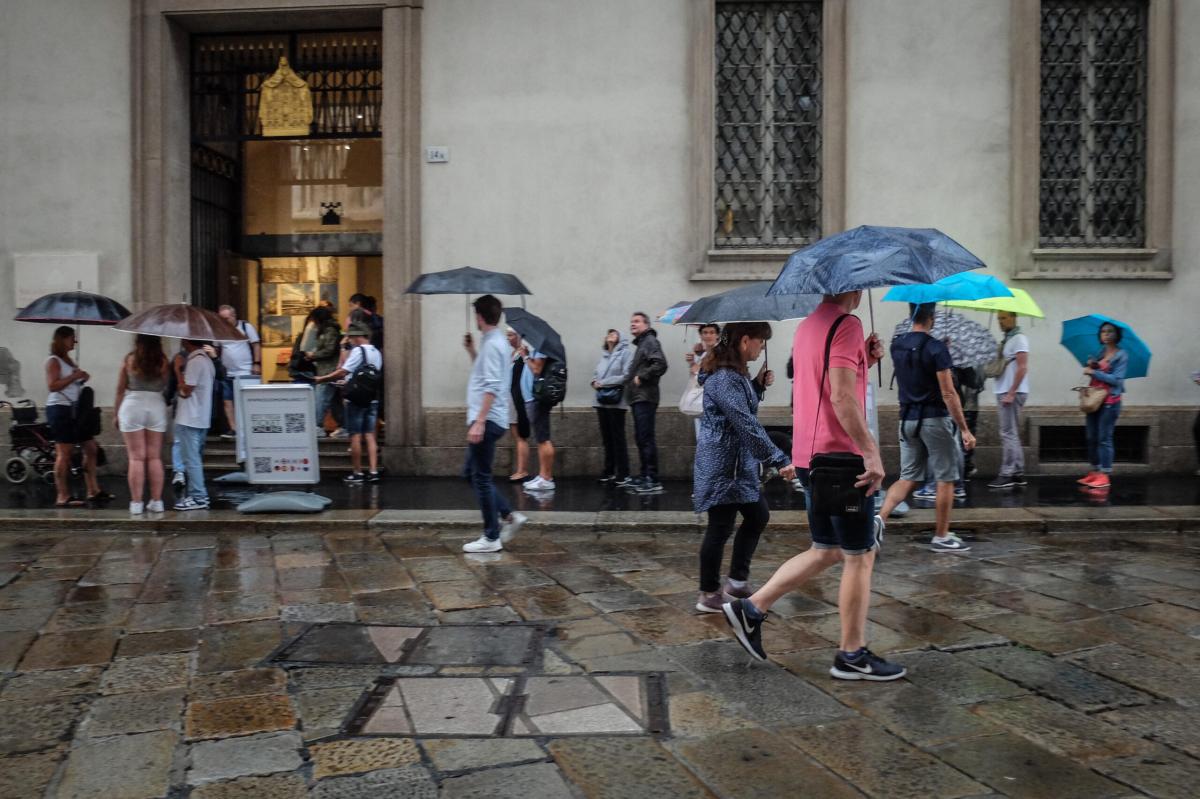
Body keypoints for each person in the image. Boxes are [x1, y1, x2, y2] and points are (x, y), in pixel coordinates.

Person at [723, 291, 906, 682]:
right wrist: (870, 453)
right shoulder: (848, 325)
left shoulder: (808, 326)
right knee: (860, 555)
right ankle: (852, 655)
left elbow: (823, 383)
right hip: (842, 459)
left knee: (827, 549)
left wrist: (865, 360)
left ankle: (751, 608)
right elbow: (841, 396)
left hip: (810, 458)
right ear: (854, 290)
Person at [693, 322, 794, 613]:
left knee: (758, 515)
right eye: (760, 341)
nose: (762, 347)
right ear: (745, 340)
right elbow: (745, 423)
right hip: (723, 466)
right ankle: (709, 593)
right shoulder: (724, 378)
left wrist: (757, 385)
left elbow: (741, 409)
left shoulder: (736, 375)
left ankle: (737, 582)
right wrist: (778, 458)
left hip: (738, 466)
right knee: (720, 527)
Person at [878, 304, 976, 553]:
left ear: (911, 315)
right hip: (934, 419)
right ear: (932, 317)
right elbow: (948, 393)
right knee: (946, 478)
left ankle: (878, 520)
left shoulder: (897, 345)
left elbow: (914, 364)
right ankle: (942, 536)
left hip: (907, 420)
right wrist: (964, 429)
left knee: (908, 477)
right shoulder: (936, 348)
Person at [460, 295, 527, 552]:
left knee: (481, 478)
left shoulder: (493, 344)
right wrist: (471, 351)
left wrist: (479, 421)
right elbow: (486, 375)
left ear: (479, 316)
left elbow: (491, 386)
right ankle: (508, 515)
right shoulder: (493, 341)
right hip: (489, 418)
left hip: (486, 419)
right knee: (471, 473)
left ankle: (491, 537)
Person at [315, 323, 381, 483]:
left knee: (356, 435)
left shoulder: (358, 351)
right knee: (370, 435)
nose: (349, 339)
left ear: (356, 336)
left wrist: (323, 379)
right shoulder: (376, 352)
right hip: (372, 397)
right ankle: (373, 471)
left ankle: (357, 473)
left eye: (350, 336)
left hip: (356, 399)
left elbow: (344, 370)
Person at [44, 326, 102, 507]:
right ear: (62, 340)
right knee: (64, 453)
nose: (74, 342)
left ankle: (93, 490)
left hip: (75, 410)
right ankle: (62, 495)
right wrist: (73, 377)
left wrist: (81, 377)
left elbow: (72, 382)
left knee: (91, 447)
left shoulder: (68, 361)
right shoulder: (53, 361)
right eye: (71, 338)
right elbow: (52, 385)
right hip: (60, 409)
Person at [114, 335, 170, 514]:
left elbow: (120, 389)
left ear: (138, 343)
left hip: (133, 404)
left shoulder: (129, 360)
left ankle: (136, 504)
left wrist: (116, 413)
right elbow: (165, 385)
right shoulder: (162, 361)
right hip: (156, 405)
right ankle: (157, 501)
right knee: (154, 457)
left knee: (136, 457)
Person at [1078, 322, 1128, 490]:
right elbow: (1098, 374)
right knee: (1091, 436)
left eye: (1110, 331)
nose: (1106, 334)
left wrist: (1095, 372)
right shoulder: (1100, 353)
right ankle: (1095, 471)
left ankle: (1105, 474)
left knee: (1104, 438)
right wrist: (1093, 365)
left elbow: (1117, 380)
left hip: (1110, 402)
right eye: (1103, 331)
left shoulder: (1122, 355)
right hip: (1095, 399)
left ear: (1116, 334)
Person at [624, 311, 668, 494]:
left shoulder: (650, 341)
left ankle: (651, 478)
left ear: (647, 325)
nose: (633, 324)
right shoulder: (643, 343)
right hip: (638, 397)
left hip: (645, 397)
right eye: (631, 321)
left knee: (646, 438)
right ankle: (644, 475)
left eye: (637, 321)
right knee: (641, 438)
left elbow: (661, 364)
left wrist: (641, 377)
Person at [173, 339, 216, 511]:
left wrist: (177, 370)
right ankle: (196, 494)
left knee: (191, 460)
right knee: (194, 459)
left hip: (189, 417)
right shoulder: (207, 360)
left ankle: (199, 496)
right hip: (201, 417)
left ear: (187, 342)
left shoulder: (195, 362)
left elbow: (185, 391)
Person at [989, 311, 1029, 489]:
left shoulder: (1019, 338)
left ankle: (1007, 474)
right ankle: (1018, 472)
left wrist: (1012, 392)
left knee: (1007, 433)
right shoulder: (1008, 339)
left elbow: (1022, 367)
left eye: (1004, 318)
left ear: (1014, 317)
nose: (1000, 322)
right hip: (1005, 390)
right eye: (999, 319)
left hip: (1010, 391)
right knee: (1011, 432)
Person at [591, 329, 632, 484]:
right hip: (601, 400)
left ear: (621, 338)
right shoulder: (604, 355)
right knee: (606, 438)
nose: (610, 335)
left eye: (614, 333)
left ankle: (623, 472)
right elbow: (597, 373)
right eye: (609, 333)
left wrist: (604, 383)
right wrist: (594, 381)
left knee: (618, 438)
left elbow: (626, 375)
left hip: (616, 400)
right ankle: (609, 470)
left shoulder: (625, 353)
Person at [215, 305, 261, 440]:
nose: (223, 321)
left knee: (245, 400)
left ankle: (249, 426)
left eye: (226, 318)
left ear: (234, 316)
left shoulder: (246, 327)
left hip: (245, 370)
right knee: (227, 401)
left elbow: (256, 344)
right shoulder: (218, 330)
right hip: (227, 372)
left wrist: (256, 363)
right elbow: (217, 349)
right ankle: (233, 428)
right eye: (221, 318)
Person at [520, 347, 556, 492]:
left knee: (543, 439)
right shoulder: (537, 349)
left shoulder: (541, 349)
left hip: (537, 398)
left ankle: (546, 478)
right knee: (541, 439)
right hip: (533, 398)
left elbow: (536, 369)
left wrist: (525, 357)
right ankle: (543, 476)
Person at [303, 307, 343, 437]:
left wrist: (313, 355)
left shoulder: (329, 330)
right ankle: (345, 426)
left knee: (321, 398)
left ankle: (317, 425)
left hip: (328, 370)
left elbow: (329, 350)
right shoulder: (330, 329)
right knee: (334, 401)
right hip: (328, 369)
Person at [505, 327, 532, 482]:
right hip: (511, 399)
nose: (507, 338)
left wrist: (524, 356)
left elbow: (524, 377)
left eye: (510, 335)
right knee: (517, 435)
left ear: (518, 336)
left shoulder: (523, 354)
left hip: (517, 400)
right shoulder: (514, 354)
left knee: (520, 436)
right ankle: (520, 469)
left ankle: (522, 470)